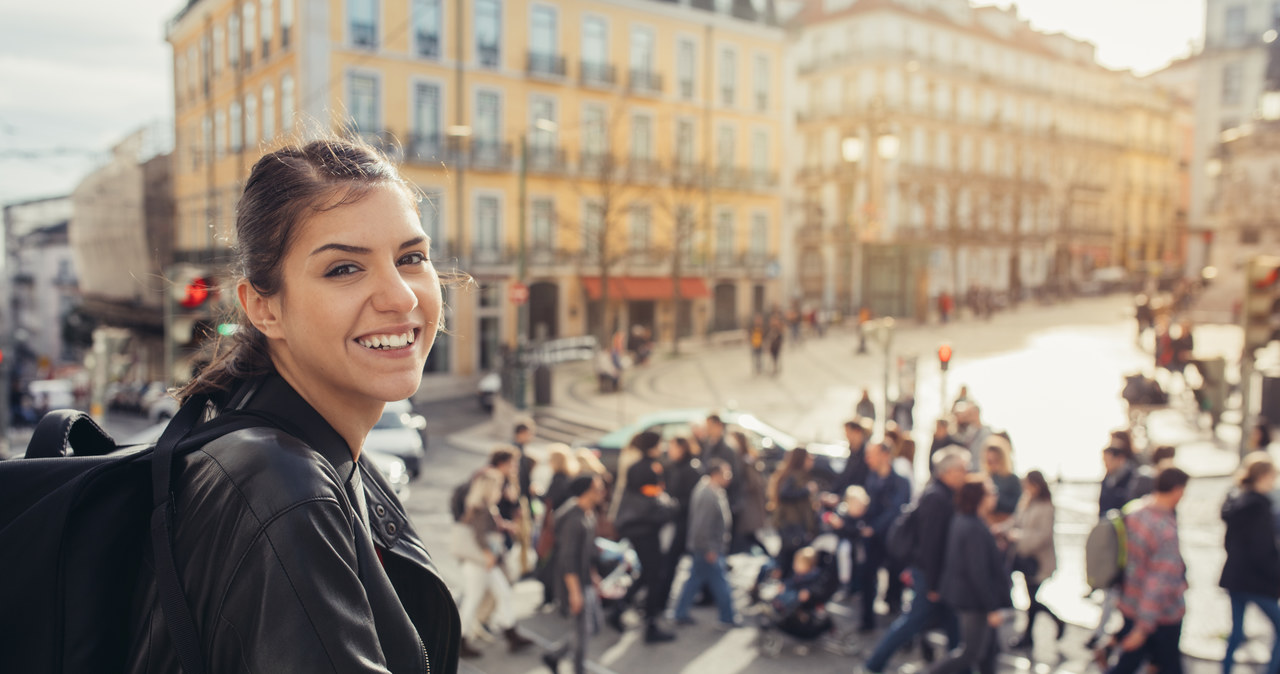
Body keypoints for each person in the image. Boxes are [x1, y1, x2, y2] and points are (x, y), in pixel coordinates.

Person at [124, 139, 460, 672]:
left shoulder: (276, 451)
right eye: (344, 269)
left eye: (411, 257)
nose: (401, 296)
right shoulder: (288, 490)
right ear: (263, 307)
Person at [862, 448, 969, 674]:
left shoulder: (943, 494)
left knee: (951, 625)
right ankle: (873, 665)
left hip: (936, 574)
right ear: (949, 472)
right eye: (962, 469)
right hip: (930, 574)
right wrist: (932, 584)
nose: (965, 474)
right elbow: (930, 545)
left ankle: (962, 668)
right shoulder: (937, 497)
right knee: (912, 622)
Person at [1106, 467, 1191, 674]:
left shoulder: (1133, 511)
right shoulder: (1165, 530)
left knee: (1130, 663)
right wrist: (1143, 628)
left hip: (1131, 603)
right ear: (1178, 490)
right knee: (1165, 666)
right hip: (1160, 614)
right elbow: (1158, 583)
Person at [929, 476, 1012, 674]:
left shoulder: (967, 520)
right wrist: (992, 607)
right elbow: (978, 572)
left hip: (970, 596)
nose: (995, 497)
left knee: (987, 651)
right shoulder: (972, 526)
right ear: (980, 498)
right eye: (992, 493)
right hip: (974, 600)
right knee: (970, 653)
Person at [455, 469, 532, 657]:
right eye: (497, 486)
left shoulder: (479, 506)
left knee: (502, 593)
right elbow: (480, 535)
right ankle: (461, 641)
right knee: (473, 600)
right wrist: (489, 555)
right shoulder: (482, 508)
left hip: (483, 563)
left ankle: (511, 633)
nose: (500, 489)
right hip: (481, 563)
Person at [609, 431, 677, 642]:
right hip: (645, 529)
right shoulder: (648, 468)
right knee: (654, 574)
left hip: (638, 528)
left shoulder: (638, 466)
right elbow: (654, 501)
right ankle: (649, 623)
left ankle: (620, 608)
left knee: (649, 572)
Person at [1220, 454, 1280, 674]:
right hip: (1256, 581)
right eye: (1272, 477)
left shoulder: (1236, 502)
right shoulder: (1259, 507)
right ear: (1263, 476)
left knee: (1236, 632)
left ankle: (1225, 670)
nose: (1274, 482)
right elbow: (1262, 550)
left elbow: (1228, 543)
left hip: (1235, 576)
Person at [543, 475, 606, 674]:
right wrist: (574, 592)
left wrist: (593, 575)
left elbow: (586, 552)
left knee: (592, 626)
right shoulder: (573, 520)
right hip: (574, 582)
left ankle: (554, 655)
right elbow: (568, 558)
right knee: (582, 633)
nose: (602, 492)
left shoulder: (588, 514)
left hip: (585, 579)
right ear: (587, 491)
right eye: (598, 488)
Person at [1001, 470, 1065, 650]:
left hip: (1039, 561)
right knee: (1032, 600)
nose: (1026, 488)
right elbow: (1015, 521)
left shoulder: (1046, 506)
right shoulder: (1026, 501)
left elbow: (1042, 536)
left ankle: (1049, 625)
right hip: (1024, 559)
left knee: (1033, 601)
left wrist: (1018, 537)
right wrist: (1001, 529)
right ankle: (1033, 635)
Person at [673, 459, 741, 628]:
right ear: (716, 474)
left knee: (695, 580)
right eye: (726, 473)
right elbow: (702, 525)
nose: (729, 477)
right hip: (707, 547)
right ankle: (728, 617)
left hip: (707, 547)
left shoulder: (713, 490)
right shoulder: (707, 493)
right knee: (720, 582)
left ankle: (680, 613)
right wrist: (710, 548)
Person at [859, 442, 911, 632]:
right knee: (867, 576)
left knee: (896, 578)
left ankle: (898, 623)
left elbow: (895, 511)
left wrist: (874, 527)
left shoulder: (900, 481)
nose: (867, 459)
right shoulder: (871, 477)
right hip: (872, 538)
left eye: (871, 455)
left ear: (884, 455)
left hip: (893, 537)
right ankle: (867, 621)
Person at [768, 447, 819, 577]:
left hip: (795, 522)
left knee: (788, 555)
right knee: (788, 556)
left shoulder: (798, 474)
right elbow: (784, 494)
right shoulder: (792, 475)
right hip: (790, 522)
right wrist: (806, 491)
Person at [663, 436, 704, 597]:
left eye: (672, 447)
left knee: (674, 561)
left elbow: (692, 501)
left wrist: (674, 504)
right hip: (677, 521)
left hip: (686, 523)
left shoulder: (691, 469)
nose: (669, 451)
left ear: (682, 448)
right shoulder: (675, 467)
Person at [731, 430, 769, 555]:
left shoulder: (746, 459)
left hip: (748, 502)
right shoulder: (738, 457)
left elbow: (754, 482)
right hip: (744, 501)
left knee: (749, 533)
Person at [983, 438, 1021, 523]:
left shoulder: (1012, 479)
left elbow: (1017, 506)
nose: (992, 464)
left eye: (995, 460)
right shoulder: (986, 478)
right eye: (989, 461)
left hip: (1005, 523)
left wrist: (996, 500)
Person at [834, 419, 871, 495]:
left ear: (857, 432)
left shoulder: (867, 453)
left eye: (849, 433)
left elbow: (860, 480)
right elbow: (845, 477)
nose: (847, 436)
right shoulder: (853, 451)